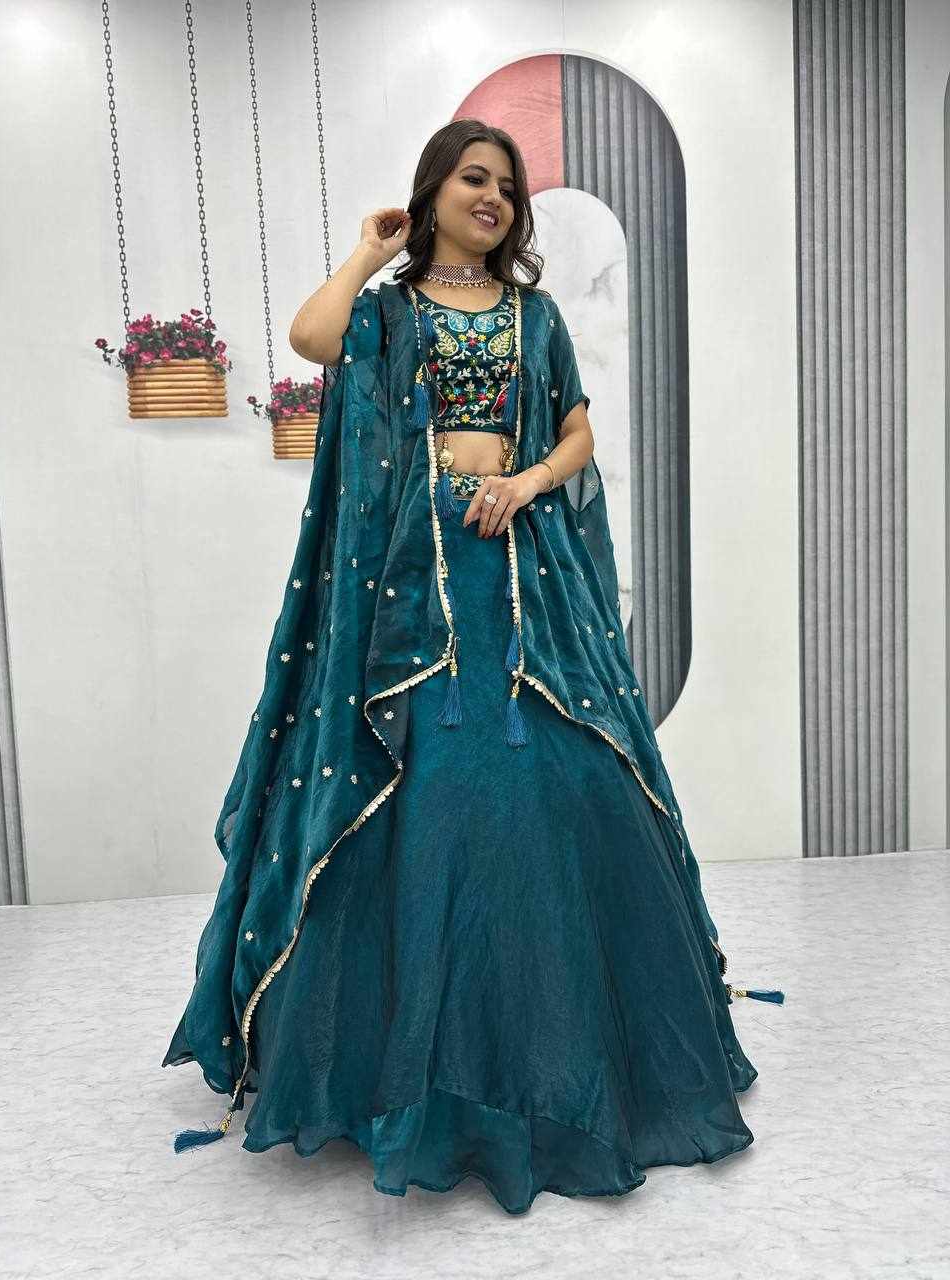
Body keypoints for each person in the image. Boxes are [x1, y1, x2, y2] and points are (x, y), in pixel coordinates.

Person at [162, 118, 783, 1216]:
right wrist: (368, 251)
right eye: (471, 179)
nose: (491, 198)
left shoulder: (535, 315)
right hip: (414, 576)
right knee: (429, 795)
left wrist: (530, 480)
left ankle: (563, 1065)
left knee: (563, 783)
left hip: (521, 571)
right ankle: (413, 1078)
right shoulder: (391, 309)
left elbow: (578, 432)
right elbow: (312, 337)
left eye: (506, 186)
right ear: (433, 193)